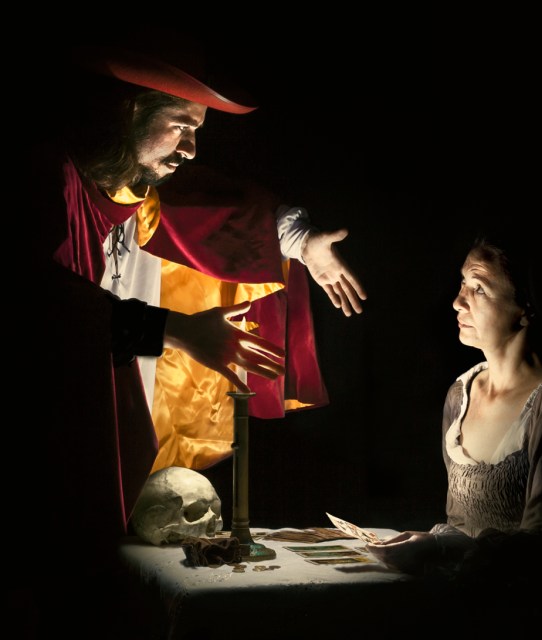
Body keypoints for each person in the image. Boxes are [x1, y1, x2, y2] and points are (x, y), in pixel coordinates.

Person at [25, 32, 366, 637]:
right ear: (130, 111)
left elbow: (221, 214)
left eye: (196, 131)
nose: (190, 148)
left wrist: (301, 242)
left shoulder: (135, 195)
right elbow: (44, 309)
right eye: (181, 125)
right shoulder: (46, 180)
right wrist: (178, 330)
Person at [365, 228, 542, 636]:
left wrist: (440, 548)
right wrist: (430, 541)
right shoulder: (461, 393)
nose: (458, 301)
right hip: (460, 609)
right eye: (462, 284)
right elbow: (460, 522)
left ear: (525, 307)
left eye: (479, 288)